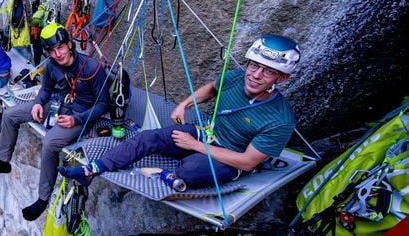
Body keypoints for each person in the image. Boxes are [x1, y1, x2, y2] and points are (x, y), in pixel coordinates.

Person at [58, 34, 301, 191]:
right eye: (254, 65)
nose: (255, 75)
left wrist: (194, 146)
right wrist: (183, 105)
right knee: (148, 138)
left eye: (267, 71)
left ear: (282, 77)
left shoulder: (279, 119)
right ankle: (91, 170)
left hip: (232, 156)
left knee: (190, 170)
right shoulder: (236, 78)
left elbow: (247, 162)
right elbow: (210, 90)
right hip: (205, 133)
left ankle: (171, 173)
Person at [0, 23, 110, 221]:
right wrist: (38, 103)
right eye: (52, 50)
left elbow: (103, 104)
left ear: (69, 45)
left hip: (81, 114)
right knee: (10, 115)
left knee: (50, 142)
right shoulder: (52, 65)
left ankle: (42, 198)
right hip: (57, 104)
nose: (57, 54)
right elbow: (46, 89)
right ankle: (3, 160)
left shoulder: (92, 68)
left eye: (60, 48)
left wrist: (76, 119)